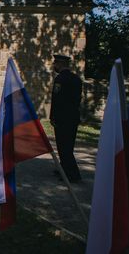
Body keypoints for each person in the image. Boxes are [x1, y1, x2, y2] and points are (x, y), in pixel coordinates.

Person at [49, 54, 83, 183]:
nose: (54, 66)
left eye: (55, 64)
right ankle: (64, 169)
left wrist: (53, 117)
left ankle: (72, 174)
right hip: (73, 117)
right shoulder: (76, 79)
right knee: (68, 145)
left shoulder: (60, 79)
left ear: (60, 64)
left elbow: (57, 100)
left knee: (64, 147)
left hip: (62, 118)